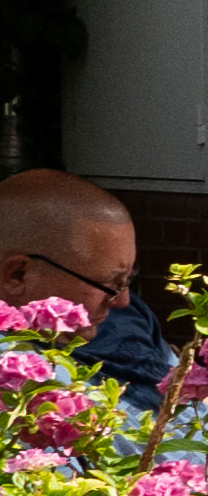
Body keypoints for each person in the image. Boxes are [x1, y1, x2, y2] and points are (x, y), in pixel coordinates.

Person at [0, 163, 176, 400]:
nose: (122, 301)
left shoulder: (123, 316)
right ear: (18, 275)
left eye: (128, 281)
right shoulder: (12, 371)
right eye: (110, 284)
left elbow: (192, 394)